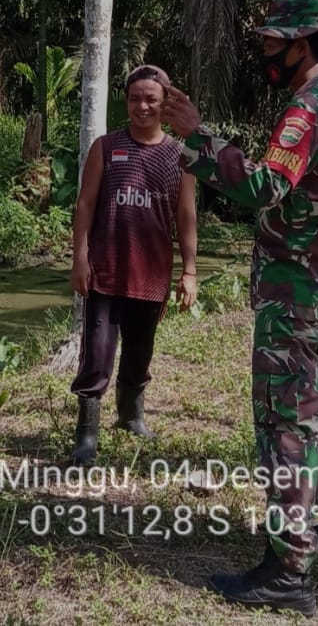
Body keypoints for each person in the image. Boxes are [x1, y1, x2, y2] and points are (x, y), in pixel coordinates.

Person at [160, 0, 318, 615]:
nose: (263, 56)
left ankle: (289, 568)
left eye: (270, 45)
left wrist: (198, 135)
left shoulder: (307, 111)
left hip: (296, 294)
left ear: (301, 46)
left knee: (290, 425)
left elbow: (263, 187)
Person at [68, 64, 198, 464]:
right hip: (105, 272)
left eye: (151, 100)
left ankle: (131, 415)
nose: (142, 106)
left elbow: (187, 215)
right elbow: (86, 203)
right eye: (135, 99)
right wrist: (79, 256)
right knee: (98, 353)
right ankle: (86, 433)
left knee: (140, 351)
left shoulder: (180, 155)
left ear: (165, 104)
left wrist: (189, 271)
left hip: (152, 273)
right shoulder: (106, 147)